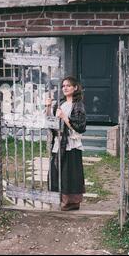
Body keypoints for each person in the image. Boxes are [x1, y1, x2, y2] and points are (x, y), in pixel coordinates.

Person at [46, 76, 86, 211]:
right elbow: (51, 123)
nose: (65, 88)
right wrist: (47, 107)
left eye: (68, 85)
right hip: (59, 142)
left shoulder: (78, 105)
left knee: (70, 173)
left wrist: (64, 117)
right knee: (56, 170)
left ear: (75, 88)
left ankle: (73, 202)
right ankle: (59, 198)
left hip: (71, 144)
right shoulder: (60, 103)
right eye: (63, 86)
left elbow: (79, 127)